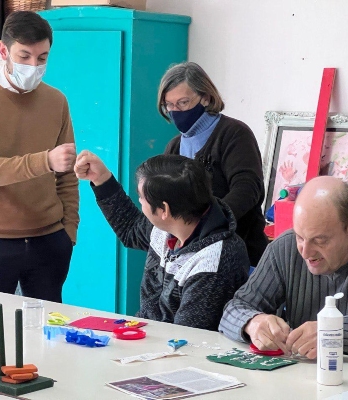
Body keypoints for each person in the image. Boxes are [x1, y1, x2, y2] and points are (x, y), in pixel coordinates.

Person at [0, 11, 79, 302]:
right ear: (3, 51)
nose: (33, 66)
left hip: (50, 238)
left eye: (42, 58)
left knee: (47, 325)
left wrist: (69, 231)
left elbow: (67, 173)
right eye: (24, 56)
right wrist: (46, 161)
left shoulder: (56, 100)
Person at [74, 151, 249, 331]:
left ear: (164, 210)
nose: (139, 201)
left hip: (174, 344)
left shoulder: (214, 262)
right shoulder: (171, 225)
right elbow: (131, 228)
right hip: (149, 336)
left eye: (141, 198)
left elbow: (187, 337)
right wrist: (101, 179)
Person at [219, 176, 348, 359]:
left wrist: (335, 332)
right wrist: (253, 323)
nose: (305, 252)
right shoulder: (285, 248)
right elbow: (234, 309)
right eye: (300, 237)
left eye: (320, 241)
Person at [159, 62, 268, 266]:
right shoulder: (174, 147)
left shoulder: (234, 134)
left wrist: (208, 225)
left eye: (183, 103)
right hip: (190, 258)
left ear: (206, 97)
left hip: (238, 253)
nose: (176, 111)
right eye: (169, 105)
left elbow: (247, 189)